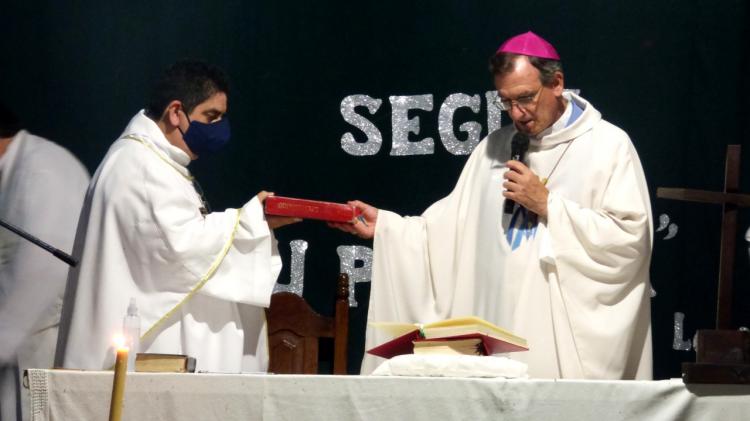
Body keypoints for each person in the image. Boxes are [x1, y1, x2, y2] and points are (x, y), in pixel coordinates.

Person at [332, 32, 653, 379]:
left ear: (557, 83)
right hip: (496, 334)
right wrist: (386, 226)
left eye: (526, 98)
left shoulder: (607, 146)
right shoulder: (495, 147)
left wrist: (549, 206)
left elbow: (631, 240)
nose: (518, 114)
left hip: (559, 339)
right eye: (506, 102)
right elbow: (445, 233)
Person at [55, 60, 298, 373]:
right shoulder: (139, 165)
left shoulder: (155, 160)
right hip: (148, 348)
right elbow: (179, 249)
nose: (220, 127)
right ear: (175, 112)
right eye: (211, 116)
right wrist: (252, 219)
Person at [0, 103, 89, 421]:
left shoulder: (42, 170)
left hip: (45, 348)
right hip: (19, 348)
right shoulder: (14, 168)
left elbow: (39, 273)